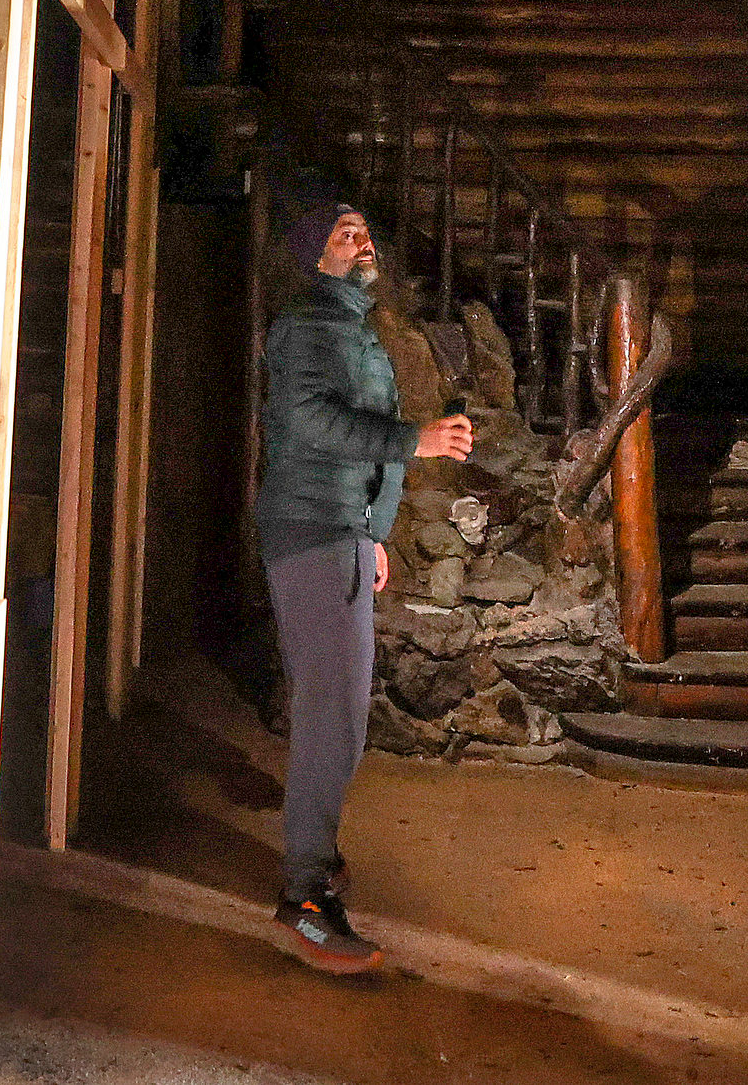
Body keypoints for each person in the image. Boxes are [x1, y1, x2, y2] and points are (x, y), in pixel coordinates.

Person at [256, 200, 473, 975]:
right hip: (311, 529)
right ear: (313, 254)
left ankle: (315, 855)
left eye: (365, 231)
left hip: (341, 532)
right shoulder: (306, 327)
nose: (364, 241)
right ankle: (306, 896)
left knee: (341, 711)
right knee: (333, 715)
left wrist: (375, 530)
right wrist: (417, 440)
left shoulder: (354, 326)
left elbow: (365, 440)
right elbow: (312, 423)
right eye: (345, 233)